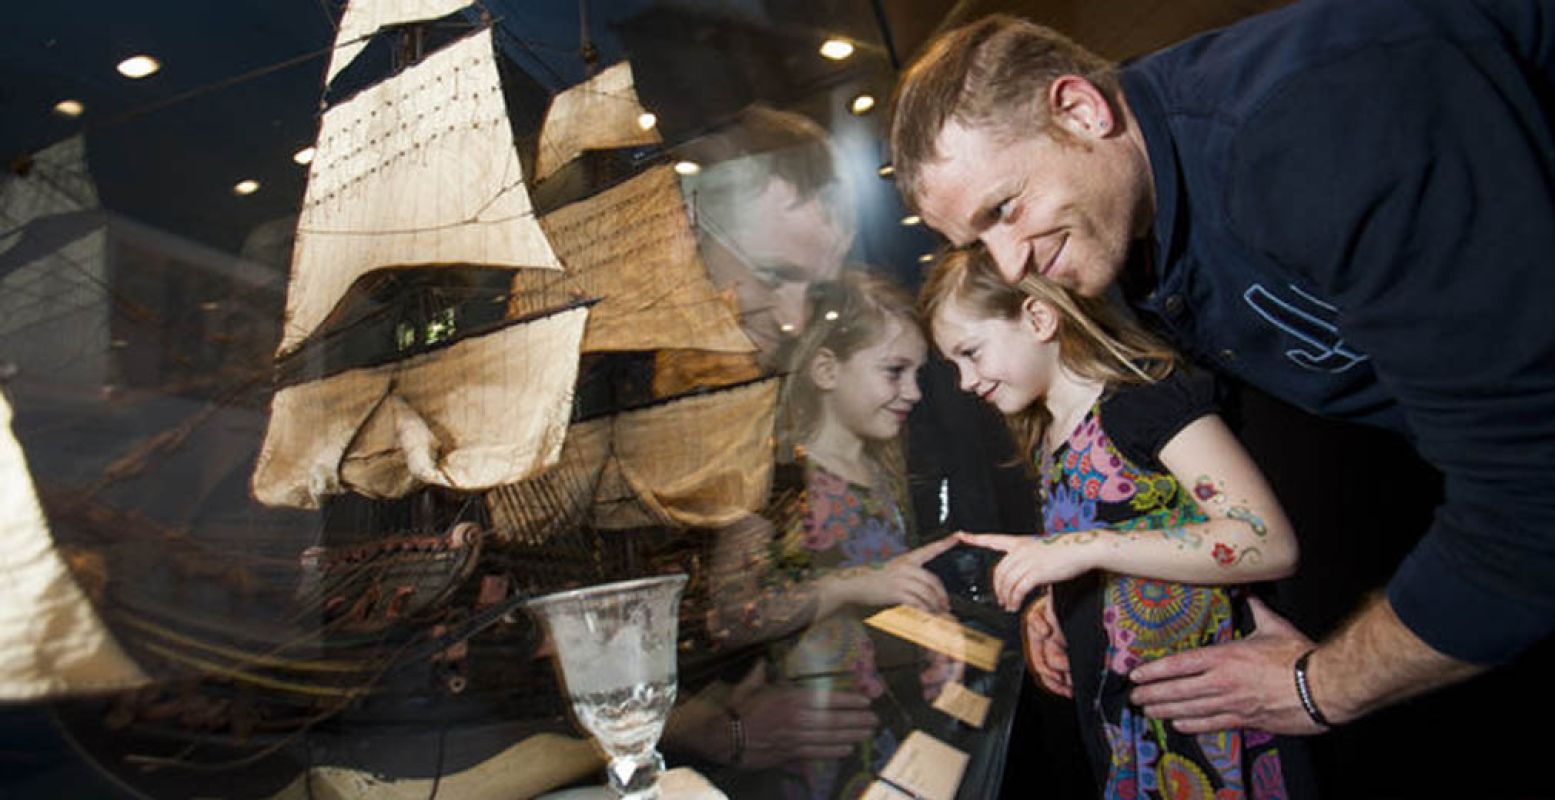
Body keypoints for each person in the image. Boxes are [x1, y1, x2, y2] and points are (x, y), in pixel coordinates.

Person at [888, 2, 1555, 737]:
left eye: (1005, 207)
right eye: (979, 244)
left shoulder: (1311, 120)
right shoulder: (1122, 231)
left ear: (1079, 110)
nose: (1011, 265)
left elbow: (1531, 505)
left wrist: (1319, 686)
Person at [921, 246, 1307, 797]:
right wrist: (1055, 601)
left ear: (1038, 317)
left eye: (971, 352)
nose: (964, 380)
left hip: (1210, 727)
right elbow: (1118, 545)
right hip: (1130, 731)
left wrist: (1085, 547)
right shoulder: (1049, 440)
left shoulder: (1140, 404)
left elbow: (1266, 539)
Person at [719, 270, 957, 799]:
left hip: (889, 732)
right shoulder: (773, 481)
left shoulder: (884, 474)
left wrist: (941, 644)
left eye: (919, 374)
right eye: (895, 372)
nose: (914, 392)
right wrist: (849, 587)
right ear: (826, 369)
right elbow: (734, 616)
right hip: (813, 751)